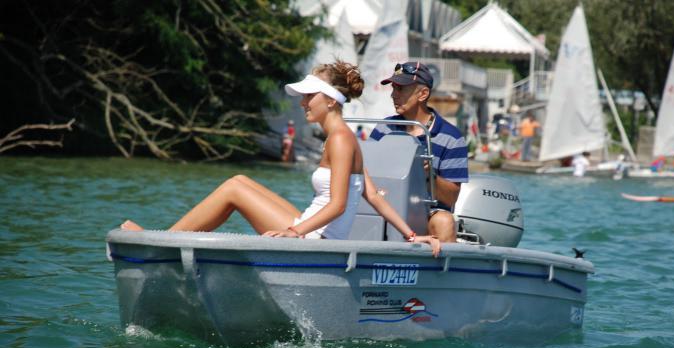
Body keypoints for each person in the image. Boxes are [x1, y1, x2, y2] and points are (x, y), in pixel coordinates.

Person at [121, 60, 440, 256]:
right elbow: (372, 195)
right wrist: (412, 235)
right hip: (312, 230)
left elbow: (339, 205)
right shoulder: (344, 137)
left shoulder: (341, 139)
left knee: (234, 189)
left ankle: (160, 245)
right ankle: (168, 242)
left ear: (331, 101)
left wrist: (295, 233)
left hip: (315, 238)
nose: (303, 103)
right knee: (239, 180)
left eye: (309, 96)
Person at [369, 61, 469, 243]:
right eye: (393, 88)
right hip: (383, 205)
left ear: (423, 94)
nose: (393, 95)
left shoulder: (452, 138)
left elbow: (451, 198)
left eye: (400, 89)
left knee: (444, 221)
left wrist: (428, 175)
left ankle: (441, 262)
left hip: (426, 214)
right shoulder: (383, 128)